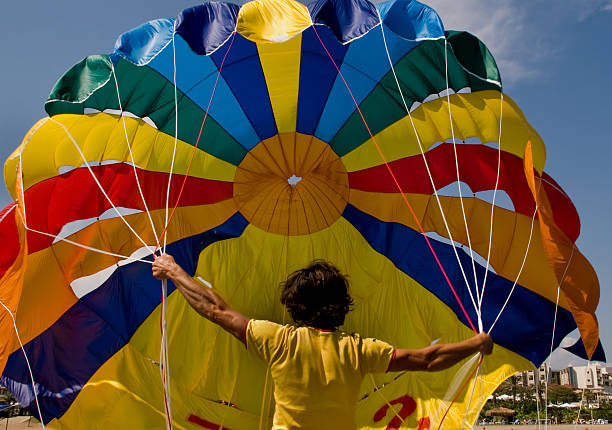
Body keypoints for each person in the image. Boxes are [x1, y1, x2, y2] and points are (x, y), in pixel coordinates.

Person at [152, 255, 493, 430]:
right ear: (342, 305)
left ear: (294, 304)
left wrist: (173, 271)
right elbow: (428, 359)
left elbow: (215, 309)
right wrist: (476, 343)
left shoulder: (278, 341)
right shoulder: (359, 350)